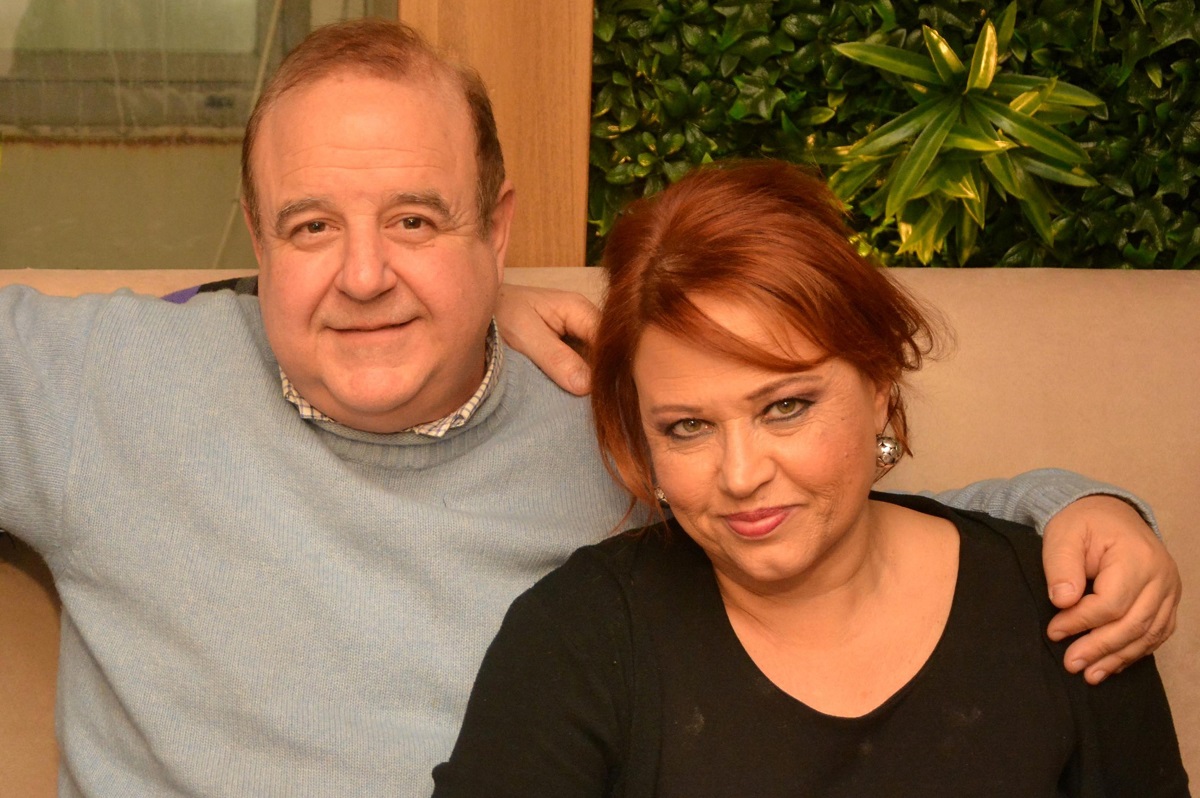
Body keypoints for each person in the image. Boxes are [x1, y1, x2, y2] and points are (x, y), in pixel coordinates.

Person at [0, 19, 1180, 797]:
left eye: (416, 220)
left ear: (496, 226)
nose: (364, 274)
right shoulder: (101, 386)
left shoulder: (616, 422)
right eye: (312, 227)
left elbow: (832, 508)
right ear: (258, 241)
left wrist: (1075, 506)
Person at [432, 161, 1190, 796]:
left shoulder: (1064, 607)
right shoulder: (577, 638)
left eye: (785, 407)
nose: (741, 475)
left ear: (880, 384)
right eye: (687, 426)